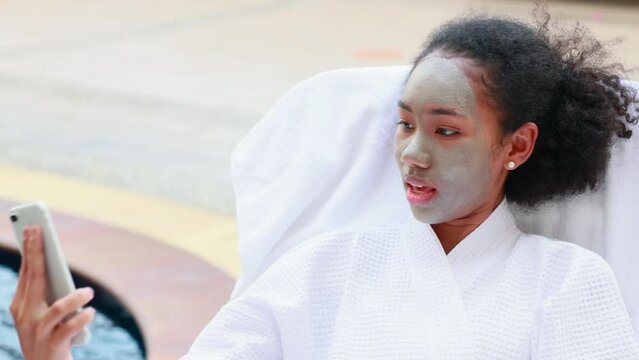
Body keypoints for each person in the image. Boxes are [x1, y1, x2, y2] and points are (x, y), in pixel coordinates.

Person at [11, 7, 639, 360]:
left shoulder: (567, 285)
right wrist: (50, 357)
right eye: (403, 125)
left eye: (446, 132)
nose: (413, 154)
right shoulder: (325, 268)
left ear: (518, 145)